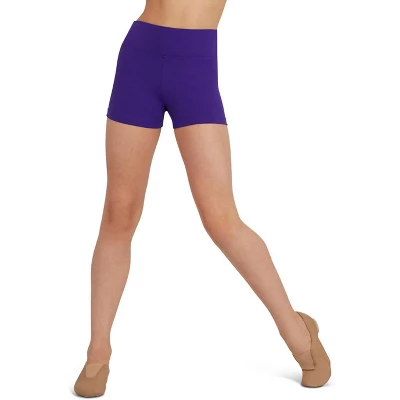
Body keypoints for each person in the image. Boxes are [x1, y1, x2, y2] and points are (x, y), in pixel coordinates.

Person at [74, 0, 331, 396]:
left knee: (221, 218)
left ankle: (297, 331)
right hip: (140, 55)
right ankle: (97, 351)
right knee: (118, 212)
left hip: (194, 63)